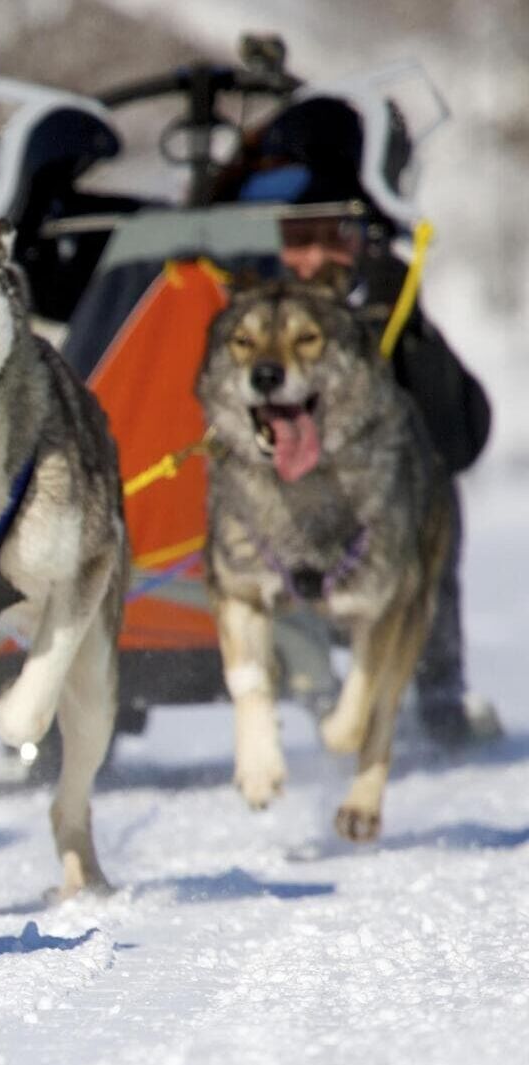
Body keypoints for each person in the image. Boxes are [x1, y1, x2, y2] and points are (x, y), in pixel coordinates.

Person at [231, 96, 499, 745]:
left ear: (354, 240)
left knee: (430, 500)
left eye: (326, 240)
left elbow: (455, 434)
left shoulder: (386, 306)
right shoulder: (245, 313)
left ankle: (436, 688)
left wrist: (398, 320)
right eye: (295, 242)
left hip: (374, 513)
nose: (309, 260)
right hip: (274, 510)